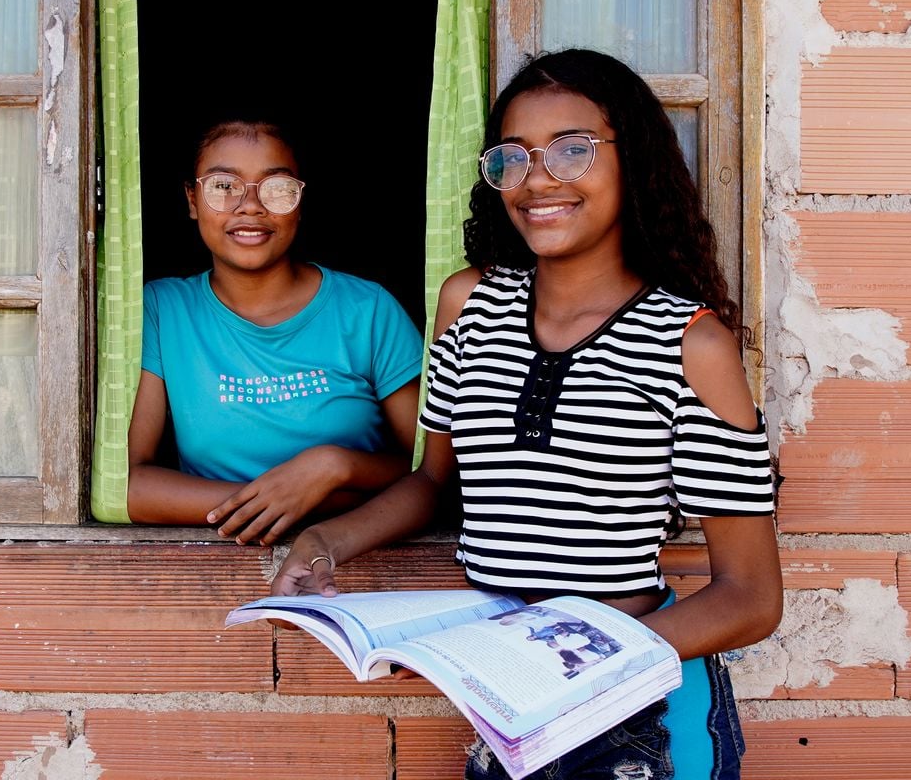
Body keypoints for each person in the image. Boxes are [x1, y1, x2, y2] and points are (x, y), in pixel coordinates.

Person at [270, 49, 783, 780]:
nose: (538, 178)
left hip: (639, 720)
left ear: (631, 159)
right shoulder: (469, 305)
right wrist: (325, 541)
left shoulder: (687, 342)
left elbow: (752, 596)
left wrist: (576, 667)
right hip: (507, 708)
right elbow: (434, 483)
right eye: (512, 157)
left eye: (573, 150)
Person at [126, 113, 423, 545]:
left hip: (359, 555)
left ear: (300, 202)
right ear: (192, 200)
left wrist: (333, 466)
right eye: (223, 186)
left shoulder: (368, 309)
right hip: (215, 562)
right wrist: (283, 500)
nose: (250, 206)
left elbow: (434, 471)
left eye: (276, 188)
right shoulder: (163, 309)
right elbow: (131, 488)